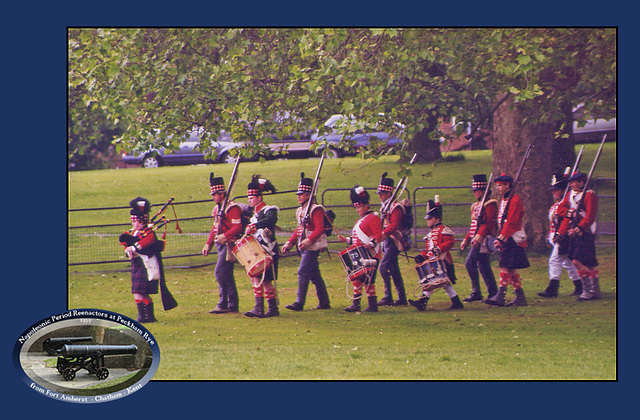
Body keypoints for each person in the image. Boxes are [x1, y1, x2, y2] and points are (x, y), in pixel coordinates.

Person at [281, 173, 331, 311]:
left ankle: (299, 302)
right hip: (305, 246)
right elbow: (299, 229)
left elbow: (319, 228)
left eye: (302, 194)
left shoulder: (316, 209)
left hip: (313, 246)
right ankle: (324, 302)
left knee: (303, 272)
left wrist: (308, 241)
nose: (298, 196)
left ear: (309, 195)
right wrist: (289, 243)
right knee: (315, 275)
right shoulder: (300, 210)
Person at [408, 197, 464, 311]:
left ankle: (422, 302)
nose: (427, 221)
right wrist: (422, 256)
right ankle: (455, 303)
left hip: (443, 261)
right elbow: (428, 250)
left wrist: (439, 248)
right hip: (434, 262)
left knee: (437, 281)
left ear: (436, 219)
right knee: (439, 282)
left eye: (430, 219)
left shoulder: (443, 229)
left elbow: (450, 242)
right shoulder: (429, 234)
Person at [485, 173, 530, 307]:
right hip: (507, 237)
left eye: (500, 185)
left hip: (511, 237)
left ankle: (501, 295)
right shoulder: (506, 200)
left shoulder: (514, 200)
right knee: (509, 268)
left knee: (504, 265)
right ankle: (519, 296)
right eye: (497, 185)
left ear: (507, 185)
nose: (498, 188)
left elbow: (511, 222)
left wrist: (501, 238)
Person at [555, 172, 600, 301]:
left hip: (585, 231)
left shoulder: (589, 194)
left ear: (581, 182)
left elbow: (590, 216)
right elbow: (561, 210)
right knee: (589, 263)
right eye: (571, 182)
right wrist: (569, 216)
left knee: (577, 261)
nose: (572, 184)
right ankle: (595, 291)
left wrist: (579, 228)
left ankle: (587, 290)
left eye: (575, 182)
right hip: (574, 230)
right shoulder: (570, 195)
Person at [202, 172, 243, 314]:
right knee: (226, 275)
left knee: (220, 273)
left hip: (229, 244)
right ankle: (232, 304)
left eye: (215, 194)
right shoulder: (217, 209)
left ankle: (223, 303)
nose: (213, 197)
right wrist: (208, 243)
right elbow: (215, 228)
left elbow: (237, 227)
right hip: (221, 244)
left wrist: (224, 236)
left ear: (221, 194)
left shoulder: (232, 208)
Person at [337, 185, 383, 313]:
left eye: (360, 206)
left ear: (366, 205)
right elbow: (357, 240)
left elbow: (378, 235)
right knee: (357, 278)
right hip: (360, 253)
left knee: (368, 280)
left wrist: (372, 244)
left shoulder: (373, 218)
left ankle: (371, 305)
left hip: (370, 254)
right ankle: (356, 303)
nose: (358, 209)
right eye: (357, 207)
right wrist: (346, 240)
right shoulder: (361, 220)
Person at [538, 169, 582, 298]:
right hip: (557, 237)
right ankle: (580, 286)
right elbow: (553, 223)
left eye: (556, 189)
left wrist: (559, 235)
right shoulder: (557, 205)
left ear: (563, 190)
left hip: (565, 237)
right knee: (567, 263)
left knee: (554, 260)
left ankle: (553, 288)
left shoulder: (566, 204)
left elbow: (566, 221)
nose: (553, 192)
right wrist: (550, 237)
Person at [119, 197, 163, 323]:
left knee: (138, 292)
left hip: (145, 264)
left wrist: (134, 248)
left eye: (134, 221)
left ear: (140, 220)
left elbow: (148, 241)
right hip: (137, 264)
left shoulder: (148, 232)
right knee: (140, 293)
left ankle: (143, 316)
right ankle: (148, 316)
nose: (133, 224)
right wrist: (128, 250)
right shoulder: (135, 233)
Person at [243, 175, 280, 317]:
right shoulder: (253, 214)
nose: (249, 200)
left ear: (259, 197)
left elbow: (270, 220)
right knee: (255, 278)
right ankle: (258, 307)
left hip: (269, 250)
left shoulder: (269, 209)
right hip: (257, 250)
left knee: (266, 280)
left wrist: (254, 225)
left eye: (251, 198)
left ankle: (272, 309)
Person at [460, 174, 499, 302]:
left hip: (484, 239)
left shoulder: (489, 205)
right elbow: (473, 225)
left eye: (476, 191)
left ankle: (477, 291)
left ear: (483, 191)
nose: (474, 193)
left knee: (469, 263)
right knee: (483, 265)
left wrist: (478, 238)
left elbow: (487, 224)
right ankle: (493, 292)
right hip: (477, 238)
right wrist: (467, 239)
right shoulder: (476, 206)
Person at [376, 173, 408, 306]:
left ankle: (388, 295)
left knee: (383, 268)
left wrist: (382, 233)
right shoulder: (385, 206)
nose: (380, 195)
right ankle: (401, 298)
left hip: (394, 240)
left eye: (382, 193)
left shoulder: (396, 207)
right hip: (387, 240)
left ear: (389, 192)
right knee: (394, 270)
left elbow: (394, 226)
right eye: (379, 193)